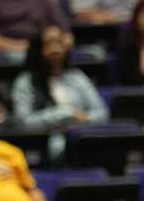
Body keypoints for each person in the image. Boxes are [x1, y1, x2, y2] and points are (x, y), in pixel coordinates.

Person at [9, 24, 109, 160]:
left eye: (59, 43)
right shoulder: (26, 82)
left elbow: (102, 113)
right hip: (44, 146)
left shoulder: (77, 77)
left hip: (80, 140)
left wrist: (85, 119)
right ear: (38, 49)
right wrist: (64, 114)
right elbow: (23, 124)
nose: (55, 49)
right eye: (49, 44)